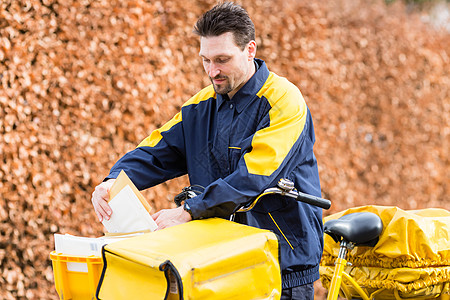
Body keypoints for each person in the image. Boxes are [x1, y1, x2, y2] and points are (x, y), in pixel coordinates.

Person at [91, 2, 323, 299]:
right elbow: (156, 150)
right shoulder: (200, 105)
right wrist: (113, 181)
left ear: (250, 50)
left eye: (222, 60)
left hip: (281, 262)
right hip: (218, 262)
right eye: (206, 60)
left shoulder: (284, 101)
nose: (213, 71)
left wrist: (188, 210)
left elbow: (253, 176)